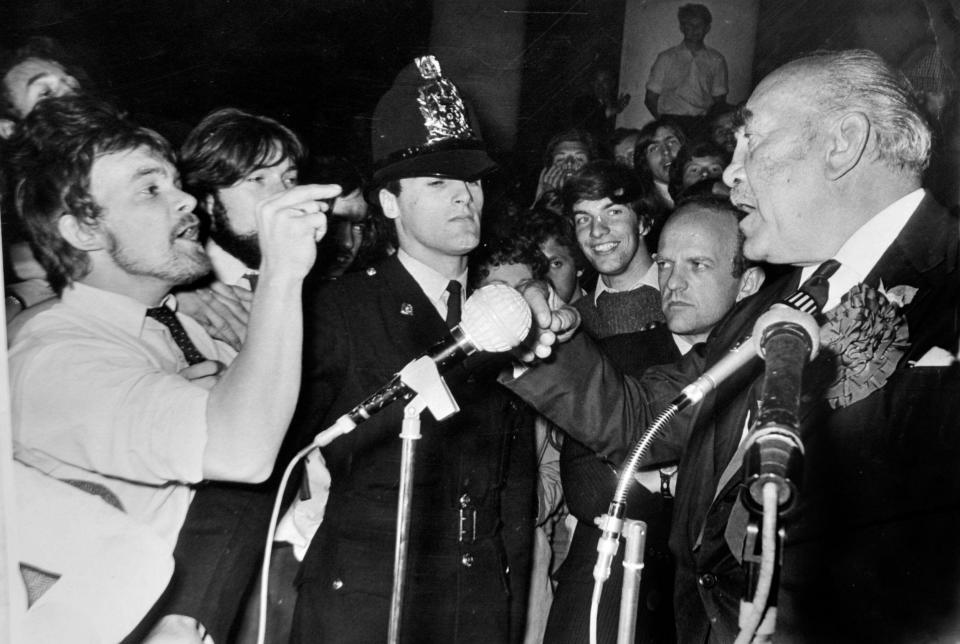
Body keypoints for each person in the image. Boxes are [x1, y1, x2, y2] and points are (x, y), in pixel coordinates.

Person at [507, 49, 960, 643]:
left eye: (754, 143)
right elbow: (645, 417)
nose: (730, 172)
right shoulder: (776, 303)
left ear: (843, 143)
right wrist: (537, 336)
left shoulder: (946, 285)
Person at [8, 94, 334, 643]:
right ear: (83, 231)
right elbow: (242, 453)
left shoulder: (189, 325)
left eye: (174, 182)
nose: (185, 199)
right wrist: (283, 270)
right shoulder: (53, 357)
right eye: (150, 189)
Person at [288, 55, 536, 644]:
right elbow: (275, 461)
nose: (465, 198)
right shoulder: (339, 312)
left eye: (472, 180)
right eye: (438, 183)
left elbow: (513, 488)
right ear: (390, 203)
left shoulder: (503, 315)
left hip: (474, 605)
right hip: (370, 605)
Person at [545, 195, 763, 644]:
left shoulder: (759, 364)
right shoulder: (619, 355)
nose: (673, 283)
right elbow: (587, 486)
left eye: (697, 265)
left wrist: (661, 476)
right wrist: (680, 481)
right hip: (611, 595)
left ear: (748, 282)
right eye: (664, 264)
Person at [644, 3, 728, 130]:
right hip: (671, 121)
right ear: (682, 27)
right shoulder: (666, 58)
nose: (694, 29)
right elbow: (650, 98)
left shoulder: (716, 60)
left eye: (699, 25)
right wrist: (664, 124)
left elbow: (719, 100)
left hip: (701, 123)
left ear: (707, 28)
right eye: (689, 25)